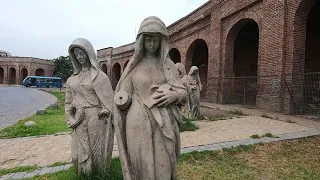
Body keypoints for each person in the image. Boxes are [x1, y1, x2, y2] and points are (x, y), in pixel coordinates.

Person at [114, 16, 188, 180]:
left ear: (162, 41)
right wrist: (123, 98)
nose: (152, 44)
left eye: (155, 40)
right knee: (141, 163)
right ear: (142, 41)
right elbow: (123, 93)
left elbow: (183, 93)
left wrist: (174, 95)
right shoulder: (134, 65)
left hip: (164, 122)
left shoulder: (167, 64)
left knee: (164, 164)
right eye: (148, 40)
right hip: (137, 122)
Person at [65, 38, 114, 175]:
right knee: (77, 155)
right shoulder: (72, 79)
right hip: (78, 121)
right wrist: (69, 118)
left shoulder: (100, 77)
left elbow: (107, 100)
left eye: (82, 53)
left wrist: (106, 109)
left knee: (95, 152)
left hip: (95, 118)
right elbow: (68, 102)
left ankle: (98, 174)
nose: (80, 57)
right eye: (76, 54)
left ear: (89, 53)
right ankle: (83, 174)